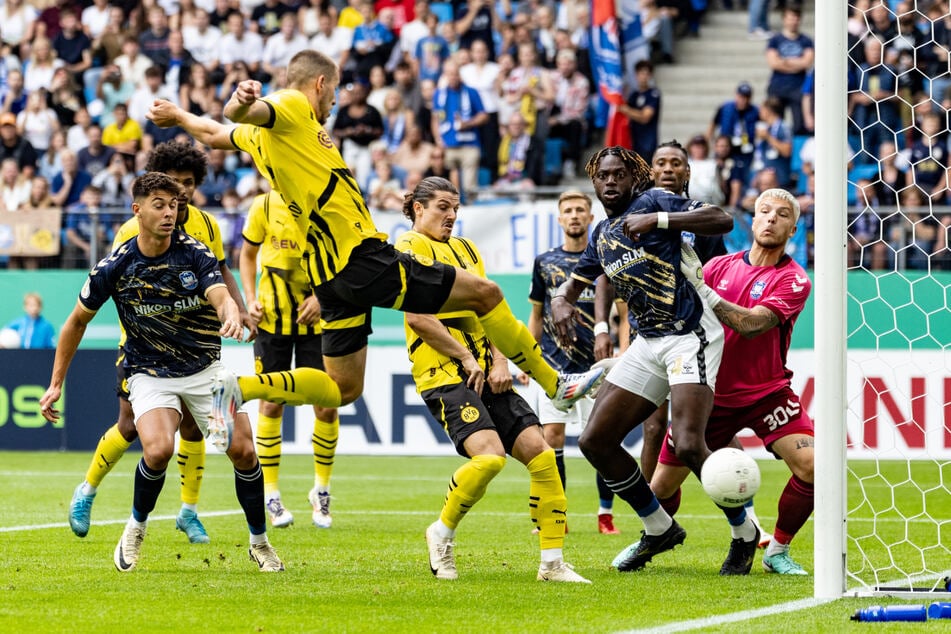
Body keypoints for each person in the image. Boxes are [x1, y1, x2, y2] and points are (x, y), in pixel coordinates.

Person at [146, 49, 602, 424]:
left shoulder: (271, 137)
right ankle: (554, 384)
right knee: (485, 293)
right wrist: (241, 99)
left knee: (344, 389)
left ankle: (240, 387)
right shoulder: (293, 106)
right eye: (337, 90)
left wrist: (180, 114)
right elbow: (236, 112)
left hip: (328, 275)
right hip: (359, 257)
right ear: (321, 84)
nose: (336, 103)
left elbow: (216, 130)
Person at [63, 141, 313, 543]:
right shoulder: (132, 231)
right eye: (172, 186)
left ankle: (188, 510)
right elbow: (117, 284)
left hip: (197, 348)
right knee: (130, 427)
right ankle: (87, 489)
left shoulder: (205, 226)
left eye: (188, 185)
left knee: (199, 428)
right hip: (143, 346)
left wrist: (238, 309)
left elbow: (220, 272)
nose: (179, 195)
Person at [550, 147, 757, 574]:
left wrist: (658, 221)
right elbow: (576, 284)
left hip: (690, 334)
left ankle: (746, 534)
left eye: (618, 174)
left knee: (686, 442)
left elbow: (723, 218)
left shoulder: (656, 201)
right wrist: (560, 302)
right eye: (602, 176)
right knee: (595, 441)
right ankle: (658, 527)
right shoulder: (603, 233)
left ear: (634, 176)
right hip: (648, 341)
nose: (609, 182)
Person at [395, 176, 589, 583]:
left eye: (456, 208)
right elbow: (417, 316)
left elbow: (490, 310)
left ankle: (552, 564)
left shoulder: (466, 249)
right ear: (418, 208)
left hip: (488, 369)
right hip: (443, 373)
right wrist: (466, 356)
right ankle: (441, 534)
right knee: (489, 457)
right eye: (443, 207)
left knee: (542, 455)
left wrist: (499, 359)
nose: (451, 215)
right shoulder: (407, 248)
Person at [643, 187, 815, 575]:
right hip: (710, 393)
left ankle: (777, 552)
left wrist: (705, 292)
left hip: (767, 393)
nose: (771, 218)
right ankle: (654, 535)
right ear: (752, 222)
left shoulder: (795, 280)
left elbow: (753, 324)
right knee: (659, 491)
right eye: (764, 211)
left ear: (793, 230)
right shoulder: (718, 267)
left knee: (814, 466)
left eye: (782, 215)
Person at [239, 190, 340, 529]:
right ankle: (271, 494)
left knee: (326, 404)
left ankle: (321, 491)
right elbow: (248, 254)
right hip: (271, 321)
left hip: (317, 321)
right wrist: (250, 299)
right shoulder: (264, 204)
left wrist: (321, 299)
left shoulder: (326, 203)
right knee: (271, 403)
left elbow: (344, 263)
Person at [527, 190, 619, 535]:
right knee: (551, 437)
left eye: (581, 209)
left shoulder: (603, 262)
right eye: (568, 210)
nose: (575, 215)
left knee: (601, 439)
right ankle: (558, 515)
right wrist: (527, 357)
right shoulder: (544, 262)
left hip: (596, 367)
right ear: (560, 219)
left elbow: (620, 314)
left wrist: (622, 351)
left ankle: (605, 514)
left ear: (590, 217)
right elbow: (537, 315)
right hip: (553, 365)